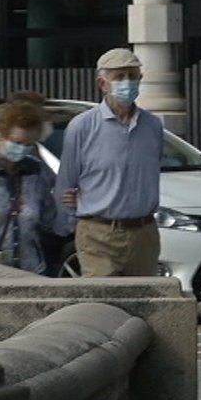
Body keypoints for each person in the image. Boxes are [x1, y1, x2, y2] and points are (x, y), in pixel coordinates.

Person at [54, 47, 163, 277]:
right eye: (119, 76)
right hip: (98, 233)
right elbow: (66, 184)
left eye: (133, 76)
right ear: (103, 84)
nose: (127, 82)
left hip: (143, 232)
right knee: (102, 304)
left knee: (144, 303)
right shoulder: (82, 126)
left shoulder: (152, 125)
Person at [0, 100, 62, 274]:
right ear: (0, 136)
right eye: (17, 142)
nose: (22, 149)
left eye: (28, 145)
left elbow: (50, 219)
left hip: (31, 270)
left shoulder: (37, 171)